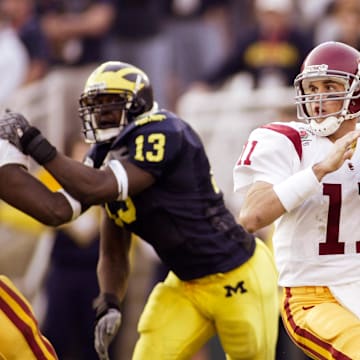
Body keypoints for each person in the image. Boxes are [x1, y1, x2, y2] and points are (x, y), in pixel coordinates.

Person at [0, 61, 279, 360]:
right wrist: (109, 300)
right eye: (95, 105)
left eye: (109, 105)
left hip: (238, 273)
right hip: (187, 284)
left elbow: (98, 187)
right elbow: (58, 212)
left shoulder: (165, 131)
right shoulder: (103, 155)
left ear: (137, 106)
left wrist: (33, 142)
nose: (100, 114)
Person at [232, 41, 360, 359]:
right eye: (312, 87)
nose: (318, 98)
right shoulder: (288, 140)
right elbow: (252, 217)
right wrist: (320, 170)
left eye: (331, 87)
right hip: (314, 294)